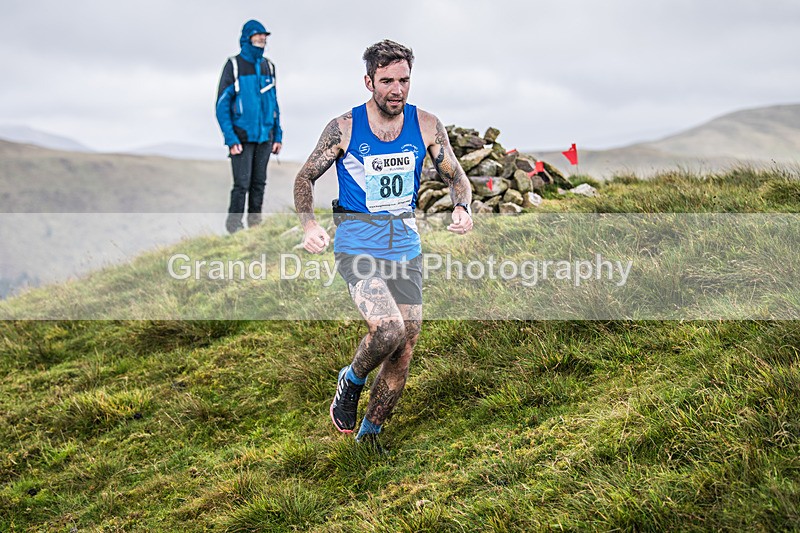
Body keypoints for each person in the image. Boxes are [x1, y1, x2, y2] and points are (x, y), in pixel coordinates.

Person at [293, 39, 473, 444]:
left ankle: (369, 435)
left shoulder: (426, 124)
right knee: (388, 330)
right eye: (387, 80)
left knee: (405, 345)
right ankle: (351, 379)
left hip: (405, 247)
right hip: (357, 244)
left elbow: (456, 177)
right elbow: (305, 177)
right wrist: (309, 225)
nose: (397, 89)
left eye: (404, 80)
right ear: (369, 81)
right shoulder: (344, 127)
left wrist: (462, 207)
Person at [216, 19, 283, 234]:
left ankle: (255, 226)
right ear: (247, 37)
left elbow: (274, 103)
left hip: (266, 136)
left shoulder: (269, 66)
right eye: (258, 35)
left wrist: (277, 135)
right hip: (242, 137)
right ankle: (234, 227)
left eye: (264, 35)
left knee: (259, 183)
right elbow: (221, 105)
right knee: (241, 184)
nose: (263, 38)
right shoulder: (234, 65)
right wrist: (231, 138)